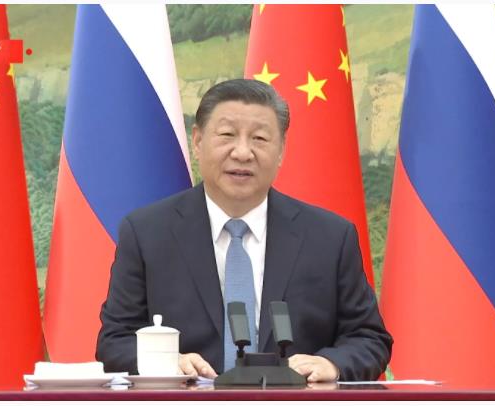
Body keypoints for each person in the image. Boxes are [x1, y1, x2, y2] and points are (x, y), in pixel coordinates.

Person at [96, 79, 392, 382]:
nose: (242, 152)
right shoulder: (147, 233)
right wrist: (168, 361)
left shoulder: (330, 237)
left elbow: (369, 338)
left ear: (281, 150)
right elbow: (114, 341)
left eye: (260, 138)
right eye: (227, 135)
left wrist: (332, 364)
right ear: (197, 141)